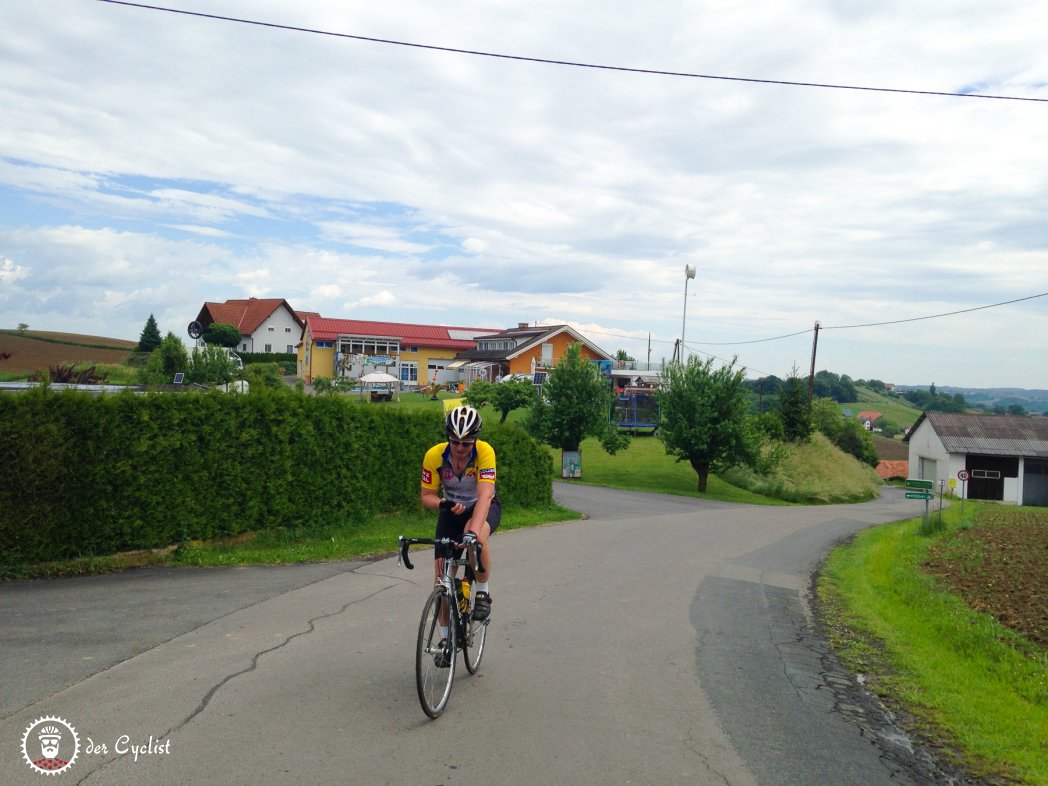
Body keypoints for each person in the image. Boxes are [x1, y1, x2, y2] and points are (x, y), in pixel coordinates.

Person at [420, 405, 500, 629]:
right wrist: (441, 504)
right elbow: (426, 496)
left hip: (482, 507)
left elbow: (485, 496)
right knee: (441, 582)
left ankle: (483, 594)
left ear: (475, 439)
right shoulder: (434, 455)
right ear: (448, 438)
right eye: (455, 441)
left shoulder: (485, 452)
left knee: (474, 534)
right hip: (450, 511)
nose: (460, 447)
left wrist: (473, 533)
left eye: (466, 443)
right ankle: (446, 642)